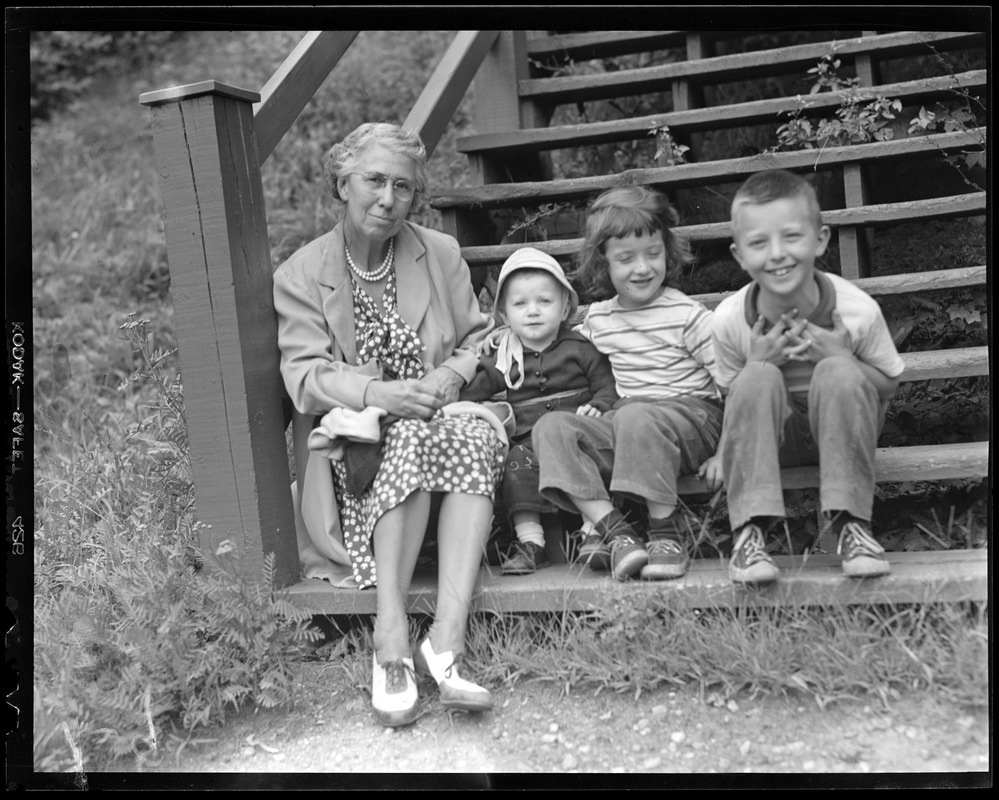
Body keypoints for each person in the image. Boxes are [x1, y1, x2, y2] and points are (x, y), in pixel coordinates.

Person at [273, 122, 505, 729]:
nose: (388, 198)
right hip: (356, 449)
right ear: (342, 183)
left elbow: (476, 337)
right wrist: (381, 395)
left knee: (473, 431)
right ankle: (391, 628)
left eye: (403, 186)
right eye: (374, 180)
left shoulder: (440, 253)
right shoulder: (302, 274)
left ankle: (447, 643)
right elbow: (304, 375)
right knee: (406, 432)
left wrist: (447, 380)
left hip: (436, 419)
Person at [704, 169, 905, 585]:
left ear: (821, 240)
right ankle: (749, 536)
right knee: (755, 377)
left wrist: (843, 355)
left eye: (791, 236)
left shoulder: (856, 309)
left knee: (836, 370)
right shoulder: (727, 320)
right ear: (739, 255)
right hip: (773, 441)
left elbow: (888, 383)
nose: (777, 253)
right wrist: (759, 363)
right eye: (759, 242)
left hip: (847, 426)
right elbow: (731, 393)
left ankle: (853, 528)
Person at [532, 186, 724, 582]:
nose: (642, 268)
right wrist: (503, 339)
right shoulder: (598, 319)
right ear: (603, 262)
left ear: (668, 252)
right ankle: (617, 533)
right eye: (626, 258)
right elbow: (554, 343)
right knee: (552, 427)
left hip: (691, 420)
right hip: (627, 422)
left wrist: (728, 452)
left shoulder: (689, 316)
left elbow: (736, 383)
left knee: (635, 414)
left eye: (653, 254)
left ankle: (665, 534)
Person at [459, 247, 618, 575]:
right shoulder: (505, 356)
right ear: (504, 315)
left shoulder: (580, 348)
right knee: (515, 463)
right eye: (520, 304)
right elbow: (478, 384)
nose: (533, 312)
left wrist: (599, 406)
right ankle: (531, 542)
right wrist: (450, 390)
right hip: (529, 444)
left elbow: (608, 385)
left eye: (544, 302)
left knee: (593, 461)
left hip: (574, 439)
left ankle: (593, 532)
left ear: (564, 309)